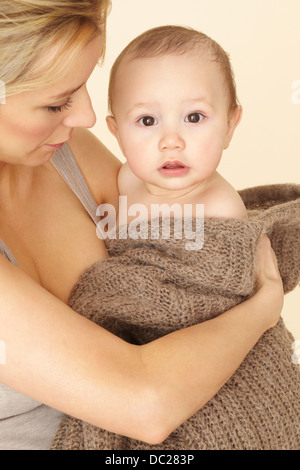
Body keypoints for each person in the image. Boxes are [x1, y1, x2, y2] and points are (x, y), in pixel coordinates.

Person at [0, 1, 285, 451]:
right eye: (56, 102)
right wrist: (263, 307)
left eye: (82, 85)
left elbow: (177, 239)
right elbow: (147, 404)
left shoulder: (61, 148)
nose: (87, 117)